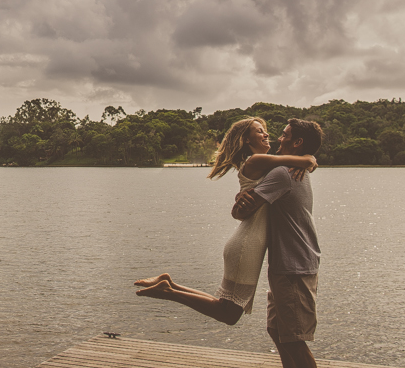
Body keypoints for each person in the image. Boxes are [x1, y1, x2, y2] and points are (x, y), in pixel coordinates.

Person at [134, 117, 317, 325]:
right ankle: (169, 291)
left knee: (226, 307)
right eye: (259, 131)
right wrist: (309, 158)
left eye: (265, 130)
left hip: (250, 241)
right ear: (247, 141)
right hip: (248, 244)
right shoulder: (256, 161)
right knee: (229, 313)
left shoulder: (267, 166)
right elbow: (306, 162)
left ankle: (169, 285)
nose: (267, 134)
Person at [232, 118, 324, 368]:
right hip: (289, 264)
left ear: (298, 142)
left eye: (284, 135)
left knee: (294, 339)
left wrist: (240, 202)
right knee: (278, 332)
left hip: (293, 267)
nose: (278, 139)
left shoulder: (283, 173)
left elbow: (243, 212)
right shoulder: (291, 169)